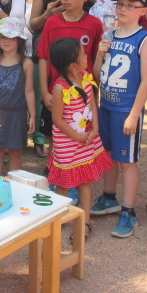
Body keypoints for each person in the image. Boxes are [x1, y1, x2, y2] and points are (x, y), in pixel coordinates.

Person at [92, 0, 147, 238]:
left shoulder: (144, 39)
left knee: (126, 161)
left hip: (125, 109)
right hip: (106, 105)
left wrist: (134, 114)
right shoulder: (110, 36)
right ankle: (109, 197)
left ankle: (128, 211)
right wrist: (98, 54)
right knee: (107, 155)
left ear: (143, 10)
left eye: (130, 5)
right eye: (119, 4)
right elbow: (97, 75)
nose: (123, 9)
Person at [37, 0, 103, 204]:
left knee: (82, 138)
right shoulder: (52, 22)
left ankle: (77, 184)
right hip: (57, 92)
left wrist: (92, 94)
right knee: (59, 137)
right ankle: (63, 179)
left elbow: (95, 61)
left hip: (83, 96)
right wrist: (44, 90)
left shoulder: (95, 24)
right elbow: (43, 57)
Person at [47, 37, 112, 238]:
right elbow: (58, 120)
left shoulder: (85, 77)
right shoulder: (60, 88)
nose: (87, 57)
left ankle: (85, 222)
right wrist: (78, 136)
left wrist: (95, 129)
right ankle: (56, 221)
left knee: (85, 181)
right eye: (84, 54)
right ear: (73, 64)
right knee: (65, 184)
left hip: (86, 139)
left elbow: (93, 102)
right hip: (68, 144)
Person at [0, 17, 35, 176]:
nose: (6, 41)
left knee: (15, 151)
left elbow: (29, 91)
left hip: (17, 114)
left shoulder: (26, 64)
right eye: (3, 37)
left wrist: (32, 115)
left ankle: (15, 185)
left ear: (19, 40)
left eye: (11, 37)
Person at [10, 0, 50, 157]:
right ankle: (16, 135)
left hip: (38, 52)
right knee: (16, 94)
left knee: (37, 96)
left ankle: (38, 137)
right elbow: (11, 22)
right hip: (17, 52)